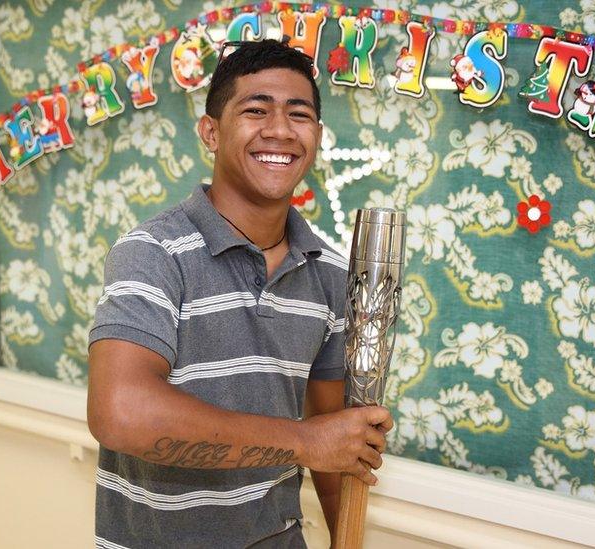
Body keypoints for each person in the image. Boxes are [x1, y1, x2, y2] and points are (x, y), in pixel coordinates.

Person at [87, 39, 393, 548]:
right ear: (211, 131)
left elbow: (336, 435)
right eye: (256, 110)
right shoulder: (154, 251)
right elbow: (120, 411)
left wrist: (346, 542)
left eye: (299, 115)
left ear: (317, 135)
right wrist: (303, 443)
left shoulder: (331, 276)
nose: (280, 130)